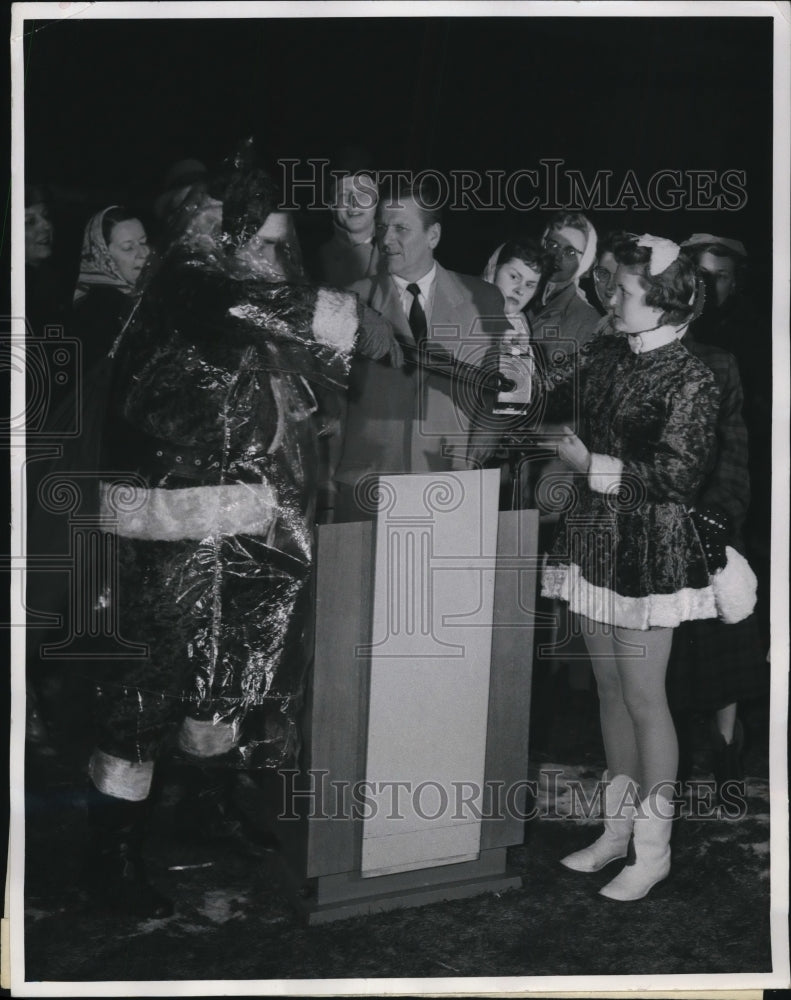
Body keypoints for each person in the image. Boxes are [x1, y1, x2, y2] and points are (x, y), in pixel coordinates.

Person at [85, 150, 401, 918]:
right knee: (151, 684)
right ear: (221, 234)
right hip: (172, 514)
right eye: (262, 242)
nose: (274, 258)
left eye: (279, 245)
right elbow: (263, 306)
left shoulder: (221, 282)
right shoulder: (191, 281)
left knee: (229, 665)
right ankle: (112, 854)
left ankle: (205, 807)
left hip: (239, 509)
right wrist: (360, 321)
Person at [530, 234, 746, 901]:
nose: (610, 296)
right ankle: (614, 833)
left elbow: (678, 479)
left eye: (622, 289)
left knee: (645, 700)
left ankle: (652, 852)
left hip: (649, 554)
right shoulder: (606, 354)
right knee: (608, 695)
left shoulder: (690, 376)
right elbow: (549, 407)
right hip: (594, 541)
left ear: (661, 302)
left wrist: (587, 465)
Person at [333, 177, 508, 520]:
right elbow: (330, 398)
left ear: (434, 236)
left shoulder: (484, 299)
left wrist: (490, 426)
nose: (386, 240)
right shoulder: (348, 300)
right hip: (367, 488)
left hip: (450, 485)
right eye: (382, 227)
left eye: (401, 228)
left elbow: (502, 383)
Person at [71, 206, 151, 371]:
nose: (143, 253)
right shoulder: (98, 310)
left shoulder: (139, 295)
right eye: (128, 248)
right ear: (103, 257)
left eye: (143, 242)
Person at [526, 210, 600, 356]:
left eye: (570, 252)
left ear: (584, 261)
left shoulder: (587, 320)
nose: (556, 257)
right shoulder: (516, 288)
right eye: (553, 245)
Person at [316, 169, 380, 288]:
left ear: (376, 202)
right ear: (332, 206)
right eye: (344, 195)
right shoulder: (315, 259)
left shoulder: (402, 250)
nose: (354, 203)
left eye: (363, 194)